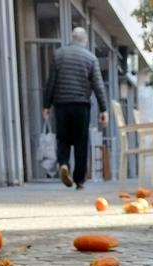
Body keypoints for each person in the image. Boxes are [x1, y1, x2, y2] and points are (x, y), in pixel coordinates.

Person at [42, 27, 108, 190]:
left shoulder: (59, 55)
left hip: (62, 104)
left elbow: (51, 82)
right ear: (84, 41)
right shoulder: (91, 58)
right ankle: (79, 181)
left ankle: (63, 164)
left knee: (63, 139)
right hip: (81, 105)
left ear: (72, 39)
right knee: (81, 142)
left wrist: (46, 105)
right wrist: (103, 109)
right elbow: (98, 86)